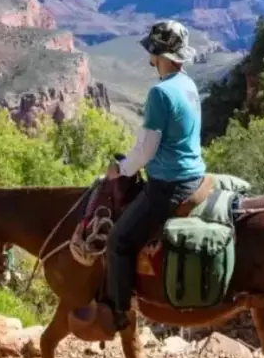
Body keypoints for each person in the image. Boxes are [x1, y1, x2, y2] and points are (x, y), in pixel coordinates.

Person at [84, 20, 206, 337]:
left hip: (169, 185)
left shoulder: (160, 92)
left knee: (118, 241)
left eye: (151, 53)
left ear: (157, 54)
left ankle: (119, 313)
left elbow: (147, 149)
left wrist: (120, 169)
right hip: (196, 175)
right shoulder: (188, 85)